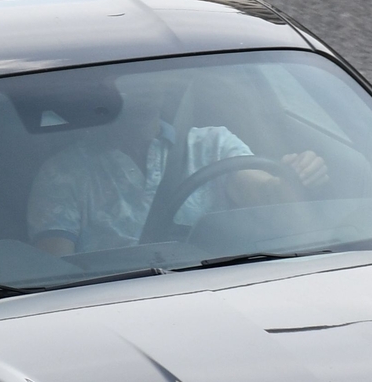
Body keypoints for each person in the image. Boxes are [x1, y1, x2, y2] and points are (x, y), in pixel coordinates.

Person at [26, 74, 327, 256]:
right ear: (102, 89)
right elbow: (56, 271)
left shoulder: (213, 145)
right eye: (128, 78)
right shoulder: (64, 173)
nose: (144, 87)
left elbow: (264, 195)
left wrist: (294, 178)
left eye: (149, 76)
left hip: (224, 289)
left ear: (167, 85)